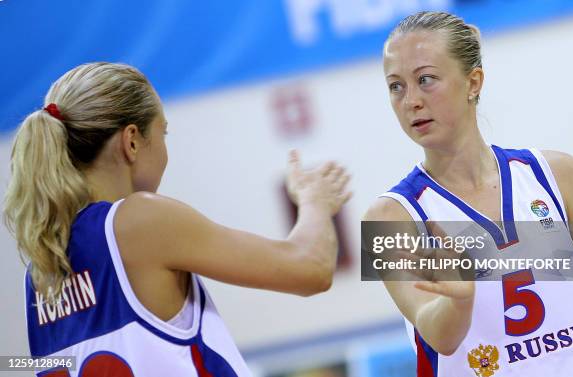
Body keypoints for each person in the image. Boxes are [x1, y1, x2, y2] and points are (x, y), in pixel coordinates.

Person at [3, 62, 351, 376]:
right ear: (132, 142)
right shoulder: (139, 221)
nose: (166, 148)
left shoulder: (41, 269)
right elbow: (310, 269)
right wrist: (314, 202)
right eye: (163, 132)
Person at [363, 11, 573, 376]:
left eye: (426, 80)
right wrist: (458, 299)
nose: (410, 100)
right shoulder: (388, 217)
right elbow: (437, 335)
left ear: (473, 82)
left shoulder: (558, 174)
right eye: (396, 86)